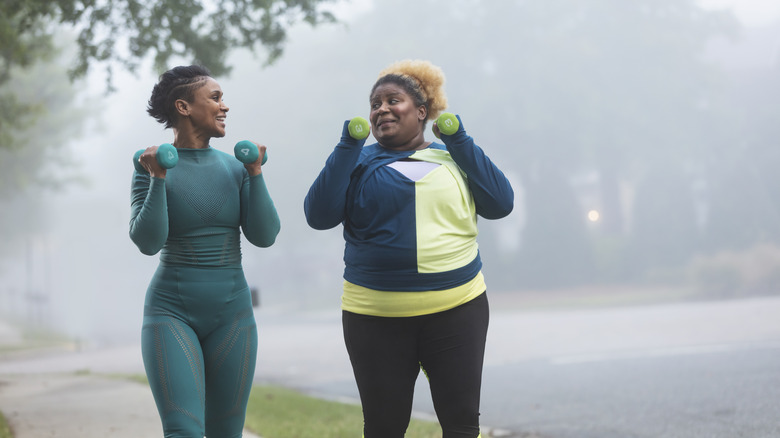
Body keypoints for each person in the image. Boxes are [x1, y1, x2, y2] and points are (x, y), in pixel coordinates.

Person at [304, 59, 514, 438]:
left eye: (392, 100)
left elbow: (500, 204)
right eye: (375, 104)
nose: (381, 109)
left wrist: (459, 139)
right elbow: (318, 215)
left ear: (422, 112)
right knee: (385, 427)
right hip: (375, 316)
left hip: (457, 309)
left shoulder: (454, 158)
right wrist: (348, 144)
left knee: (462, 423)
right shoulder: (357, 161)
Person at [129, 64, 280, 438]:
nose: (224, 106)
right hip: (171, 311)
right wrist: (158, 178)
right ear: (183, 107)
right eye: (215, 97)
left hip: (233, 314)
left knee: (226, 432)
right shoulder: (148, 164)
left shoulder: (237, 167)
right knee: (183, 430)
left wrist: (256, 173)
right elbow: (148, 242)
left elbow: (265, 236)